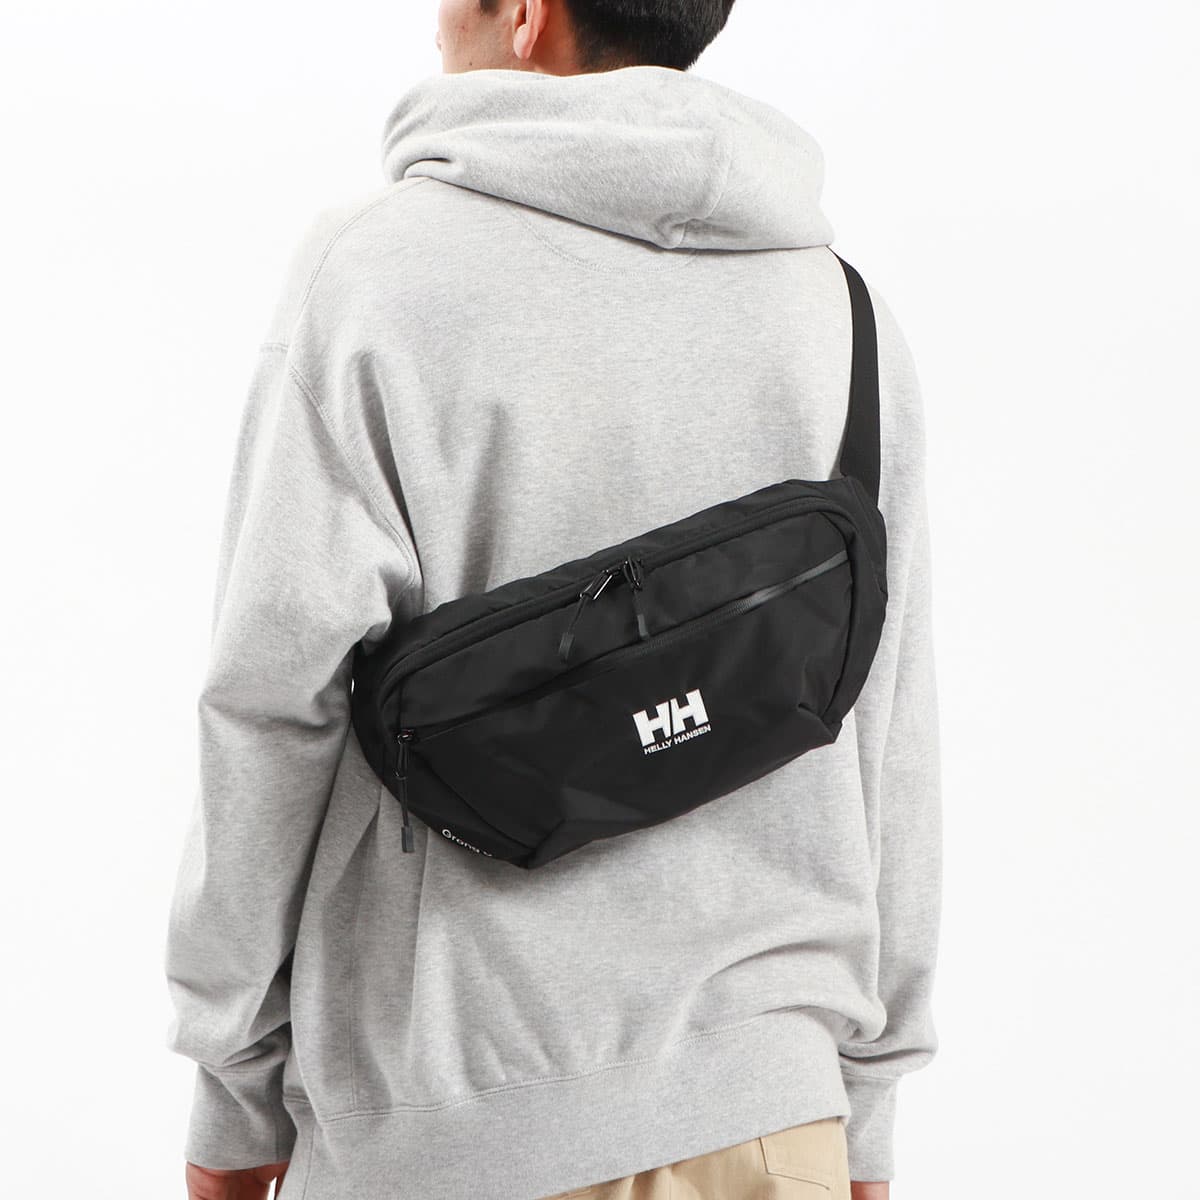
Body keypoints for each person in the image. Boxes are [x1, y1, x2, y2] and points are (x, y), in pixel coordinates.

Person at [163, 2, 943, 1198]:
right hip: (773, 1119)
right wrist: (864, 1109)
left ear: (527, 15)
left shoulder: (375, 274)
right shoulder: (842, 311)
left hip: (450, 1126)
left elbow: (272, 707)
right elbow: (887, 731)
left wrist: (233, 1088)